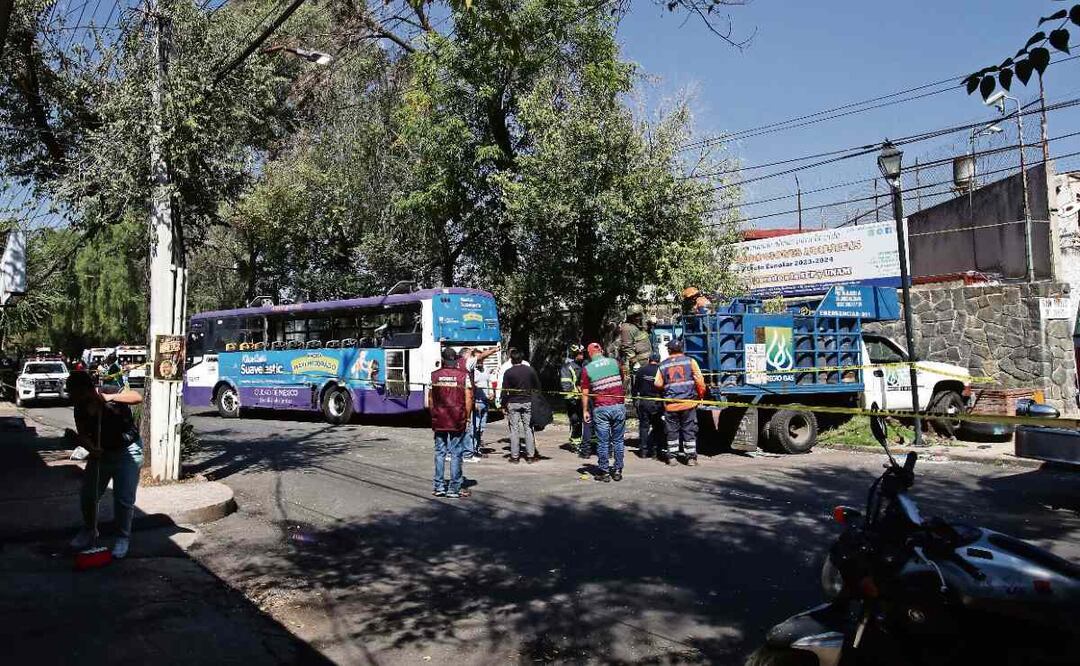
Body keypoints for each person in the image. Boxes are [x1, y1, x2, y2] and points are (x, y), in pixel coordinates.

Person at [65, 370, 144, 559]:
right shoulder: (80, 408)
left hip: (128, 450)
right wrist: (92, 449)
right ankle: (89, 530)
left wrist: (110, 397)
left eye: (74, 392)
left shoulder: (108, 390)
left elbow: (137, 397)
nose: (72, 397)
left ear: (86, 390)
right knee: (89, 495)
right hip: (102, 454)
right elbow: (83, 433)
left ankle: (122, 538)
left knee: (123, 498)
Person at [427, 347, 473, 498]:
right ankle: (454, 488)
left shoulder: (434, 376)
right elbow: (468, 398)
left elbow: (430, 399)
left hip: (439, 418)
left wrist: (434, 415)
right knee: (456, 453)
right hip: (457, 418)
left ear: (442, 360)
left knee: (440, 452)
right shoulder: (463, 376)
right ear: (456, 360)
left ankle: (439, 486)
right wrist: (466, 417)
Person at [654, 339, 707, 466]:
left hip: (671, 405)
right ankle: (690, 458)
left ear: (670, 350)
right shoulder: (690, 361)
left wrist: (668, 387)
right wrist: (700, 396)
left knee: (672, 431)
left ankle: (672, 458)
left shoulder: (663, 365)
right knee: (689, 430)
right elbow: (700, 381)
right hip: (688, 403)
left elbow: (657, 383)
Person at [581, 342, 626, 482]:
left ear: (589, 353)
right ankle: (618, 470)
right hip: (618, 406)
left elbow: (585, 392)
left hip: (601, 408)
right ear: (601, 350)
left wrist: (585, 410)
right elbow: (622, 378)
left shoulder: (587, 369)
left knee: (603, 442)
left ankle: (604, 472)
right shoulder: (614, 362)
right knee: (618, 440)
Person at [500, 348, 540, 463]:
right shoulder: (530, 370)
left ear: (511, 360)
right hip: (527, 401)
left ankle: (515, 456)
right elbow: (537, 386)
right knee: (528, 428)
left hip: (513, 402)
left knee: (514, 430)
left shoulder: (508, 372)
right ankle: (530, 456)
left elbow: (505, 390)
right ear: (522, 359)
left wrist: (503, 404)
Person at [462, 347, 498, 461]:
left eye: (482, 359)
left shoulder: (486, 369)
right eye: (479, 359)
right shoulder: (471, 370)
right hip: (476, 402)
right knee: (474, 428)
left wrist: (491, 393)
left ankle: (477, 448)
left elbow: (489, 381)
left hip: (485, 402)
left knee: (481, 428)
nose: (481, 361)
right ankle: (471, 450)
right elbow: (469, 387)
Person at [632, 351, 664, 459]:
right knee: (657, 427)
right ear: (659, 361)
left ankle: (643, 451)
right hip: (657, 402)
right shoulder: (661, 371)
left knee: (644, 427)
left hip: (644, 401)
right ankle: (656, 451)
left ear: (649, 359)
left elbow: (635, 388)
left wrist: (634, 401)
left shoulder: (641, 370)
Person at [559, 344, 586, 449]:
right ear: (574, 354)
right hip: (574, 400)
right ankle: (576, 443)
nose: (581, 356)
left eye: (582, 353)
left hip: (586, 399)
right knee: (576, 421)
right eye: (579, 354)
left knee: (588, 422)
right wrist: (572, 399)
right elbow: (566, 385)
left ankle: (590, 443)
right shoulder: (567, 368)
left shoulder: (586, 365)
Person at [619, 304, 654, 376]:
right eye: (636, 316)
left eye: (640, 315)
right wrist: (635, 362)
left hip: (646, 361)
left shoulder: (638, 327)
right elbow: (627, 347)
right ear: (631, 317)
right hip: (638, 364)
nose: (639, 318)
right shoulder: (627, 328)